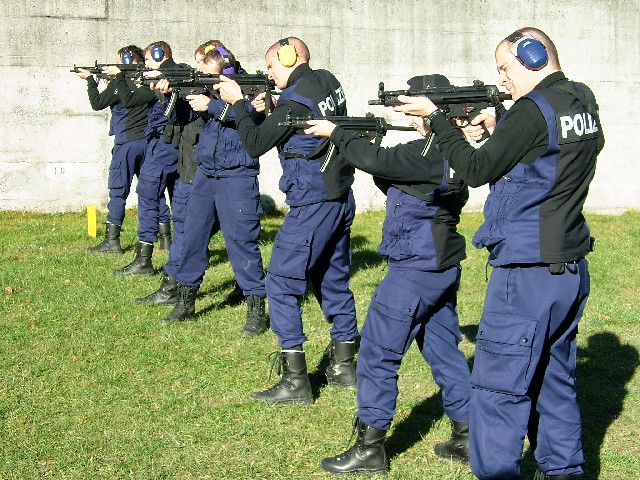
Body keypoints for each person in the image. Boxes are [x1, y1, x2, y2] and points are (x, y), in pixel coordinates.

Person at [394, 27, 603, 479]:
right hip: (567, 267)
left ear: (531, 56)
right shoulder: (580, 99)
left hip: (526, 273)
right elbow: (545, 154)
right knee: (554, 381)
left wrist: (443, 124)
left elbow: (473, 168)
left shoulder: (530, 111)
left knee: (496, 389)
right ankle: (563, 471)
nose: (502, 79)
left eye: (505, 67)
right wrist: (499, 127)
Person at [304, 104, 472, 474]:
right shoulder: (457, 153)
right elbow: (393, 175)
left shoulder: (426, 151)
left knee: (377, 355)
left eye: (417, 111)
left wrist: (338, 134)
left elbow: (379, 161)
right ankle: (469, 436)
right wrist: (365, 144)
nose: (412, 120)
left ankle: (370, 449)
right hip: (440, 266)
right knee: (445, 352)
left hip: (414, 268)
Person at [214, 37, 359, 403]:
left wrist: (240, 106)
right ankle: (344, 365)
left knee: (279, 283)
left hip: (312, 201)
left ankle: (295, 379)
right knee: (332, 277)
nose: (269, 74)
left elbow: (256, 143)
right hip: (340, 195)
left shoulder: (295, 98)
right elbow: (301, 118)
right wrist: (273, 106)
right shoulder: (326, 80)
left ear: (290, 58)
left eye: (272, 68)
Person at [156, 42, 268, 337]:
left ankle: (256, 308)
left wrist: (214, 105)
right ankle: (185, 301)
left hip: (237, 174)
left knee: (242, 241)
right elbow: (182, 119)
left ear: (226, 70)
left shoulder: (252, 88)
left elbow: (252, 119)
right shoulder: (211, 89)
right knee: (192, 236)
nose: (204, 80)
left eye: (208, 74)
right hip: (206, 172)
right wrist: (170, 96)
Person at [104, 41, 186, 275]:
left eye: (150, 59)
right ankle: (172, 247)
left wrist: (153, 78)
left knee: (148, 195)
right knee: (175, 198)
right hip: (170, 145)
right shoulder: (168, 74)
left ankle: (144, 259)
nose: (146, 63)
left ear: (160, 56)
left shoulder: (174, 73)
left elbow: (132, 100)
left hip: (163, 144)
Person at [76, 45, 147, 254]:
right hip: (147, 142)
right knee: (150, 192)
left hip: (126, 142)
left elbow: (97, 103)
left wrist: (91, 81)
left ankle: (112, 241)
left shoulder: (121, 83)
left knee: (117, 191)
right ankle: (164, 239)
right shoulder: (147, 80)